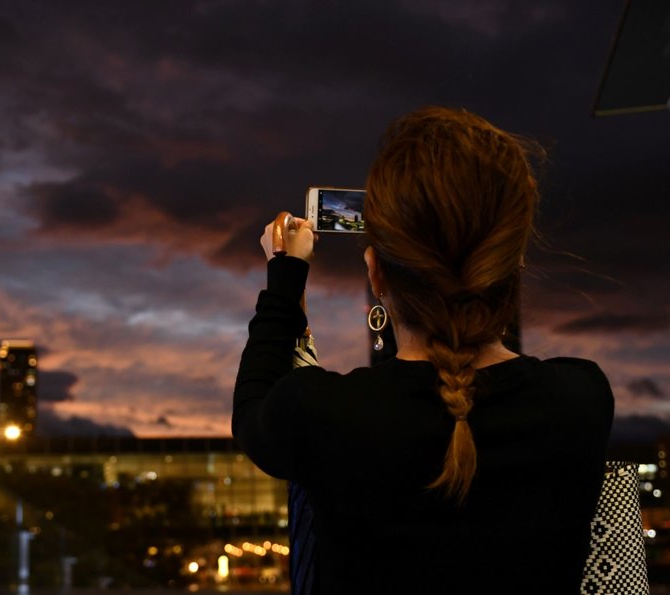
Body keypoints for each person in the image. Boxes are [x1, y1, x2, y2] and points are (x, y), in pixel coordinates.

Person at [233, 106, 613, 594]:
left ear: (377, 274)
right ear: (511, 262)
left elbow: (252, 412)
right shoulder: (582, 399)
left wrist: (285, 282)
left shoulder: (322, 413)